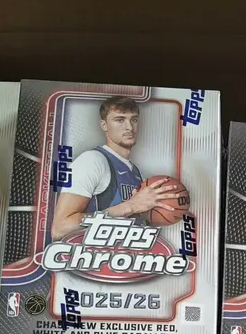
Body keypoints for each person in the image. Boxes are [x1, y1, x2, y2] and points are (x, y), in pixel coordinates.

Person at [51, 95, 178, 239]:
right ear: (104, 125)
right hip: (93, 253)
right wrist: (130, 206)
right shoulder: (92, 161)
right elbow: (60, 228)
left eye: (134, 119)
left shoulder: (137, 173)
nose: (129, 127)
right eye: (120, 120)